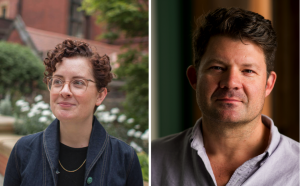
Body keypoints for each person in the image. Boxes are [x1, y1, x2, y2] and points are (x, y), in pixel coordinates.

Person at [150, 7, 300, 186]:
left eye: (248, 71)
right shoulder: (152, 161)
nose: (231, 82)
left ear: (268, 84)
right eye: (217, 68)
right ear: (194, 78)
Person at [4, 39, 143, 186]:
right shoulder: (24, 151)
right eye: (58, 81)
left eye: (78, 82)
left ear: (100, 95)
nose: (64, 91)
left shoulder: (125, 159)